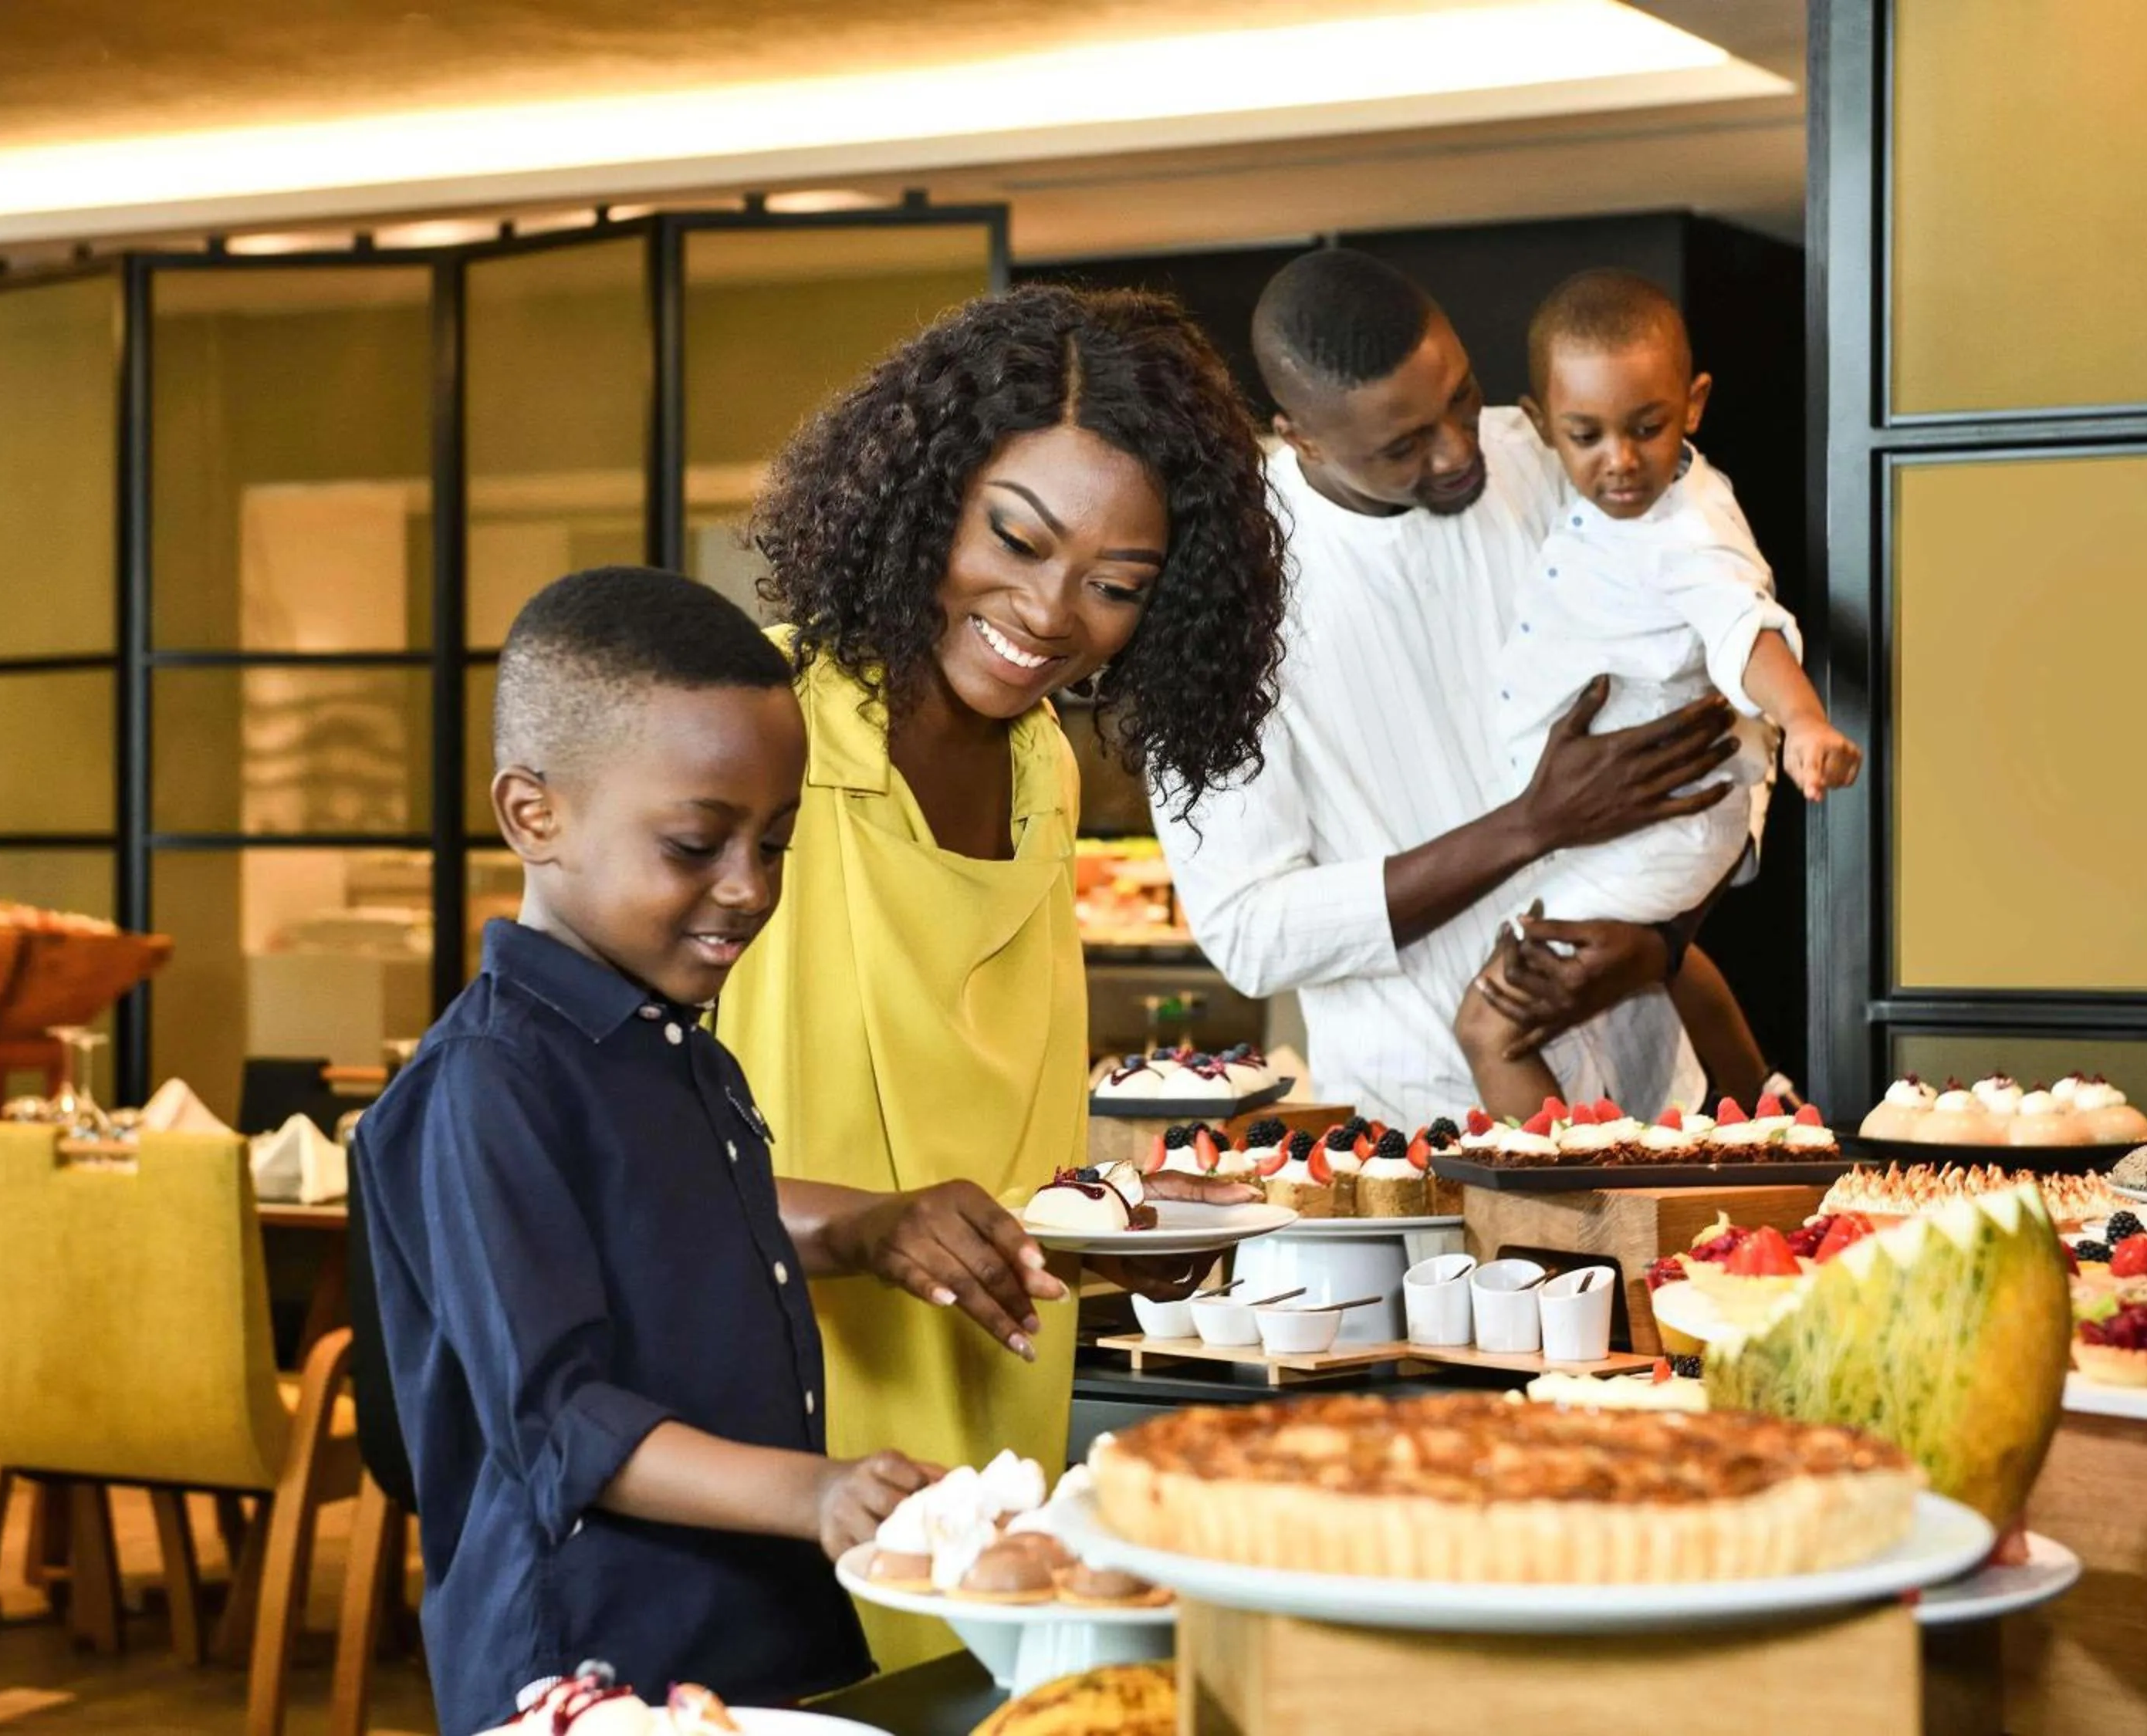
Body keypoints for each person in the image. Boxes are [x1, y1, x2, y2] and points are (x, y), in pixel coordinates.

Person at [353, 568, 1070, 1731]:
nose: (747, 889)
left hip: (739, 1633)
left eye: (776, 842)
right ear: (534, 815)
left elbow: (685, 1244)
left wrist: (877, 1225)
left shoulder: (678, 1048)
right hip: (585, 1666)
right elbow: (561, 1420)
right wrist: (820, 1490)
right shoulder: (484, 1084)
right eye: (696, 844)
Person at [713, 285, 1286, 1668]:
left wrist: (1116, 1222)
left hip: (983, 1444)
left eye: (1116, 586)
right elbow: (584, 1157)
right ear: (924, 497)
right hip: (759, 1449)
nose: (1049, 614)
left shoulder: (1042, 769)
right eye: (1016, 540)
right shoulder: (744, 734)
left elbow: (996, 1134)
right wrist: (864, 1222)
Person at [1155, 247, 1771, 1129]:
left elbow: (1738, 693)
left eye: (1461, 399)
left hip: (1659, 1102)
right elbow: (1252, 933)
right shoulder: (1218, 598)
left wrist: (1662, 940)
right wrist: (1532, 826)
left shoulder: (1562, 458)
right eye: (1403, 445)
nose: (1455, 452)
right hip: (1426, 1133)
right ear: (1303, 439)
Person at [1452, 269, 1860, 1117]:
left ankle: (1565, 1211)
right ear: (1539, 427)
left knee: (1493, 1020)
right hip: (1632, 825)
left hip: (1657, 826)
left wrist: (1804, 717)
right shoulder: (1624, 507)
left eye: (1648, 427)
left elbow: (1743, 624)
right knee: (1660, 958)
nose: (1621, 460)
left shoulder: (1688, 527)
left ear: (1695, 402)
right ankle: (1771, 1111)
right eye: (1587, 435)